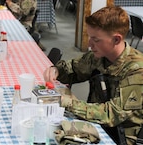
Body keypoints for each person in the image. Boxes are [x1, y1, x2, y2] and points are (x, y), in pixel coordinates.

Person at [43, 6, 143, 145]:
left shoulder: (137, 70)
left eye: (96, 40)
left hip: (118, 137)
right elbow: (74, 69)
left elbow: (110, 114)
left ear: (116, 39)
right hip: (95, 124)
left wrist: (66, 101)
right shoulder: (98, 56)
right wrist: (57, 70)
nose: (90, 44)